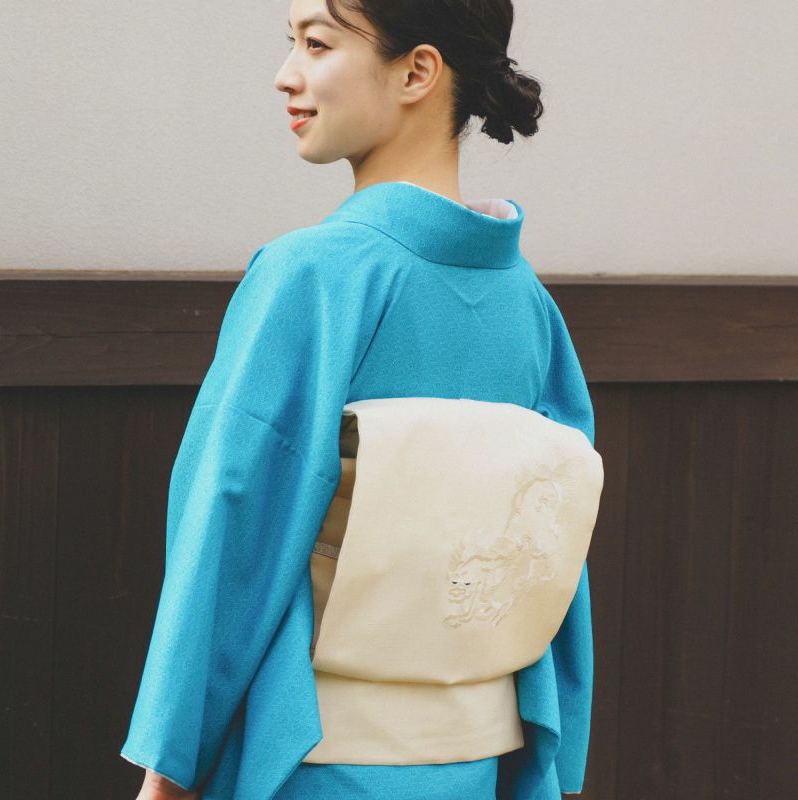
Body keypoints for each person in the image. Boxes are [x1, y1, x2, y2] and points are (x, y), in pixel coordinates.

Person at [120, 1, 597, 798]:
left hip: (312, 759)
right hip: (481, 763)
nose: (286, 76)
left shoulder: (311, 277)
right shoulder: (529, 306)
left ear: (417, 72)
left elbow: (234, 521)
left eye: (317, 43)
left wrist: (169, 771)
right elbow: (552, 559)